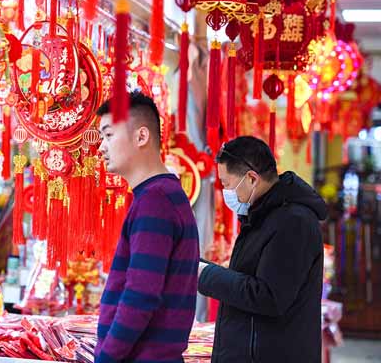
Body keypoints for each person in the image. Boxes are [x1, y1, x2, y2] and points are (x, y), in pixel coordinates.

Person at [198, 136, 327, 363]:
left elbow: (269, 297)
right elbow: (247, 278)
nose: (225, 191)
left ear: (251, 178)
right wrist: (194, 266)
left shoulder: (293, 222)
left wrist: (204, 275)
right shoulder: (261, 216)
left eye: (226, 184)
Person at [94, 91, 200, 363]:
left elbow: (140, 295)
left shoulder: (155, 201)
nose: (101, 147)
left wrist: (105, 357)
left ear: (141, 137)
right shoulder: (161, 195)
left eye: (108, 135)